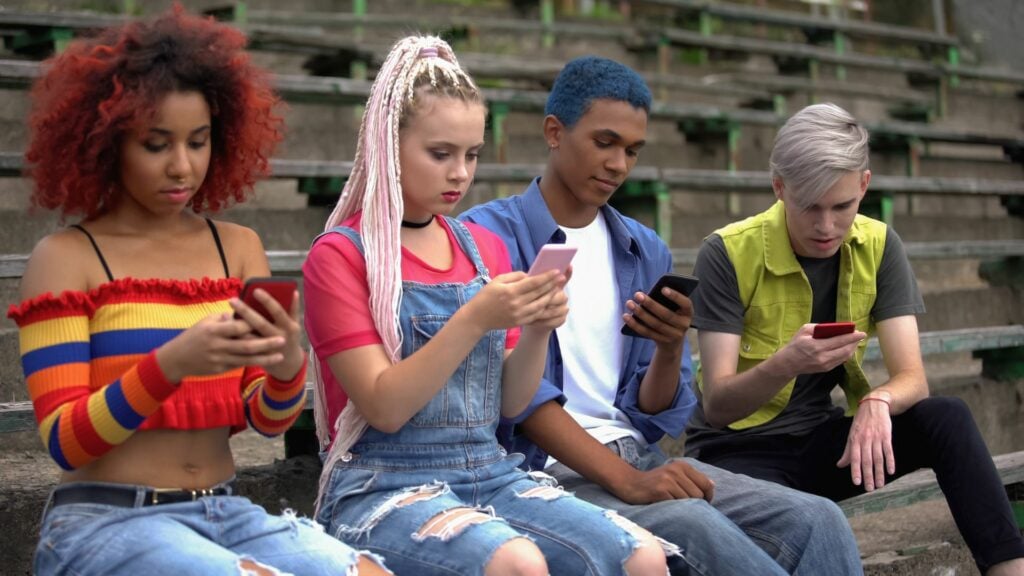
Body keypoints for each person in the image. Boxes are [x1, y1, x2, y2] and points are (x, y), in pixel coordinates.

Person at [7, 7, 388, 576]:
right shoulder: (65, 258)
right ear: (109, 143)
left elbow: (268, 420)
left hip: (224, 510)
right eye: (156, 144)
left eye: (198, 141)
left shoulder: (236, 247)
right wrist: (171, 364)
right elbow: (66, 441)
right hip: (104, 522)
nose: (182, 166)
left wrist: (288, 365)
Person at [460, 56, 863, 575]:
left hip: (637, 457)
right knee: (697, 527)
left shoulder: (642, 249)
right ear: (554, 132)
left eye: (631, 151)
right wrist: (628, 482)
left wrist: (671, 347)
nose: (618, 165)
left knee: (819, 520)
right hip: (540, 475)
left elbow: (652, 412)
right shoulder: (487, 237)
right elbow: (512, 397)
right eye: (604, 143)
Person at [303, 36, 668, 576]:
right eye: (440, 153)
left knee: (641, 554)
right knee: (516, 561)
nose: (460, 173)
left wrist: (541, 327)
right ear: (387, 144)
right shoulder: (340, 255)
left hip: (490, 470)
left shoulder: (483, 250)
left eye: (471, 154)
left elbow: (509, 402)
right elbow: (383, 407)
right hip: (383, 483)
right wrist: (474, 318)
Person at [686, 102, 1024, 575]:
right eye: (810, 208)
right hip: (738, 458)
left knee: (946, 416)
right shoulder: (725, 252)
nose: (826, 226)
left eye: (842, 206)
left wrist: (878, 401)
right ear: (779, 188)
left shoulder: (881, 244)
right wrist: (787, 362)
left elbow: (913, 378)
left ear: (863, 185)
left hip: (823, 443)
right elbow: (718, 405)